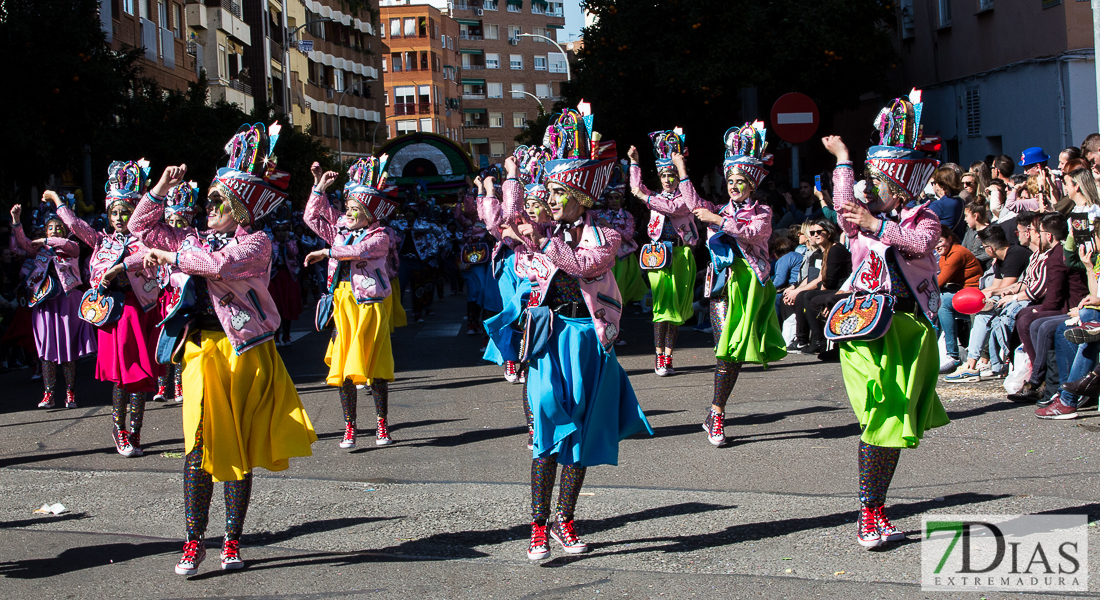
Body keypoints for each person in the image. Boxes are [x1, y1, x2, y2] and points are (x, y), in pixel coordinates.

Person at [132, 123, 317, 575]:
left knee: (236, 446)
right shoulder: (194, 238)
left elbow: (217, 267)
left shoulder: (258, 242)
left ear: (240, 209)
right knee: (197, 445)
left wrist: (172, 258)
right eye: (209, 199)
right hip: (200, 352)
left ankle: (231, 540)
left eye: (218, 201)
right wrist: (159, 188)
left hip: (245, 353)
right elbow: (141, 228)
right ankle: (194, 540)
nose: (207, 207)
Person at [507, 106, 652, 561]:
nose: (549, 200)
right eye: (547, 192)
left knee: (581, 435)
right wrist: (512, 179)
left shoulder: (605, 235)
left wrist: (545, 241)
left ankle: (565, 522)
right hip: (550, 339)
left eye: (558, 192)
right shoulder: (543, 231)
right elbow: (505, 219)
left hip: (588, 339)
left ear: (582, 197)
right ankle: (536, 526)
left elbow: (584, 265)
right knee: (547, 423)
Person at [822, 90, 949, 549]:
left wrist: (875, 225)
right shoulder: (862, 217)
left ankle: (875, 508)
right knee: (880, 417)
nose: (871, 188)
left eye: (879, 180)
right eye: (870, 179)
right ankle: (867, 512)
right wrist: (844, 159)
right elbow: (843, 205)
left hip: (908, 330)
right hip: (863, 329)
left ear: (899, 183)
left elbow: (917, 245)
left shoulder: (927, 218)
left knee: (895, 423)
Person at [683, 122, 787, 446]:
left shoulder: (763, 212)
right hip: (722, 289)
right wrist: (679, 168)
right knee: (725, 351)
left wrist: (718, 221)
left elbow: (755, 234)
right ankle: (717, 414)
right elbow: (693, 205)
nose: (733, 186)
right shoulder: (720, 209)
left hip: (751, 286)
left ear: (751, 185)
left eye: (739, 181)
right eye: (730, 181)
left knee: (735, 354)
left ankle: (716, 409)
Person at [57, 161, 164, 457]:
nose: (118, 217)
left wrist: (119, 268)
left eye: (125, 212)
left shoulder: (144, 239)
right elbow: (78, 227)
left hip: (138, 311)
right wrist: (58, 204)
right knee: (120, 376)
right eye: (114, 212)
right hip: (114, 317)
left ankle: (136, 429)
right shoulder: (102, 240)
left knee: (142, 375)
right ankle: (120, 431)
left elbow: (145, 257)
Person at [305, 158, 399, 450]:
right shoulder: (340, 231)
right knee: (344, 368)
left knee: (375, 367)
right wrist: (319, 187)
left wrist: (326, 250)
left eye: (355, 209)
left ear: (369, 213)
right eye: (347, 208)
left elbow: (358, 250)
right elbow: (311, 218)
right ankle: (350, 426)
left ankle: (382, 423)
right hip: (342, 302)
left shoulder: (381, 236)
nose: (348, 214)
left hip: (369, 305)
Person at [10, 198, 95, 409]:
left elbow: (65, 245)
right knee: (46, 352)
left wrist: (47, 242)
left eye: (59, 227)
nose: (55, 231)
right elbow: (23, 243)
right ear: (45, 230)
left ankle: (70, 393)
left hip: (67, 302)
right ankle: (48, 394)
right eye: (50, 228)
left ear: (66, 231)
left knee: (67, 352)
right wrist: (16, 221)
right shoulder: (40, 250)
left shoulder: (72, 247)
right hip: (44, 304)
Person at [628, 130, 698, 376]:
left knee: (676, 309)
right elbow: (636, 189)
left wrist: (646, 198)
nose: (667, 179)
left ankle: (669, 356)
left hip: (681, 256)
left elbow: (671, 207)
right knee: (661, 308)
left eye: (671, 174)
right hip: (658, 256)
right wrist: (635, 162)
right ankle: (658, 355)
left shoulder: (686, 198)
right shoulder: (655, 196)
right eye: (663, 175)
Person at [154, 181, 200, 403]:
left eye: (179, 221)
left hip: (184, 297)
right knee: (163, 338)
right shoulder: (161, 241)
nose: (174, 225)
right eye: (170, 221)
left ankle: (179, 386)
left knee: (181, 339)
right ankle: (162, 386)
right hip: (164, 296)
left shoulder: (194, 241)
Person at [935, 226, 983, 373]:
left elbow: (939, 282)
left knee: (942, 302)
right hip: (961, 293)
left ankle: (952, 355)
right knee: (934, 304)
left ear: (950, 239)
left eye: (941, 241)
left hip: (974, 297)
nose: (937, 245)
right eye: (934, 242)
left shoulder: (957, 253)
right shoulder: (946, 255)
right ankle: (929, 350)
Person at [268, 213, 302, 347]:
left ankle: (287, 335)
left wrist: (287, 243)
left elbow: (294, 253)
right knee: (276, 307)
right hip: (275, 278)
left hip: (289, 277)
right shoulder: (270, 244)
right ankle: (276, 336)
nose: (281, 233)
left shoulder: (292, 242)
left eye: (284, 231)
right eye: (278, 231)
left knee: (288, 305)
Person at [927, 167, 967, 240]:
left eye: (934, 183)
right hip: (958, 243)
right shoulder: (961, 201)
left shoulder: (939, 205)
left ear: (940, 185)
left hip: (942, 246)